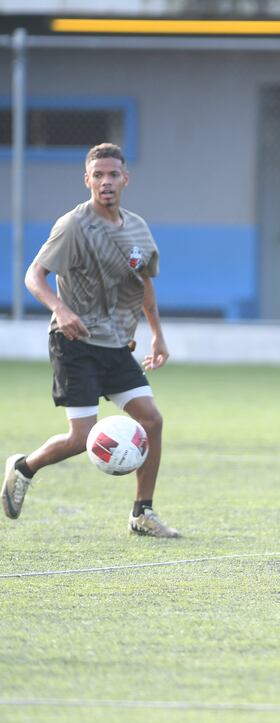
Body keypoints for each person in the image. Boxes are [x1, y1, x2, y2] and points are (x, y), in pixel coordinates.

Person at [2, 143, 178, 537]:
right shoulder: (73, 226)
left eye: (113, 174)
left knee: (152, 420)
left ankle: (142, 514)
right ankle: (24, 467)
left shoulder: (138, 229)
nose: (106, 181)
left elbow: (144, 284)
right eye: (98, 175)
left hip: (115, 344)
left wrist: (157, 336)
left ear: (125, 179)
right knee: (81, 438)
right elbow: (33, 276)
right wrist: (61, 310)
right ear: (87, 180)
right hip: (74, 343)